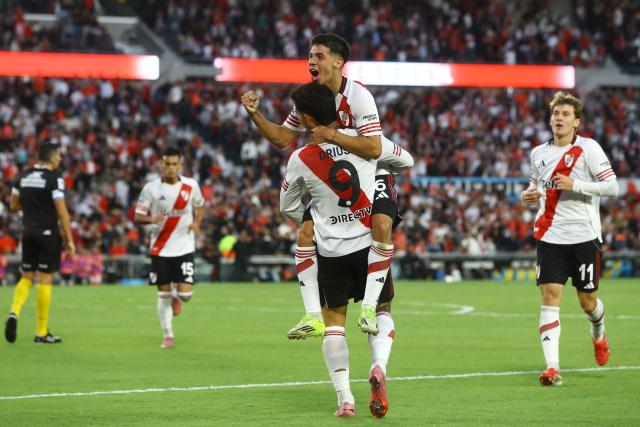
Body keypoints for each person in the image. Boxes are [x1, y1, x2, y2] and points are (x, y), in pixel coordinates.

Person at [242, 33, 412, 339]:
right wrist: (255, 115)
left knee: (382, 222)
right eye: (309, 56)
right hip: (334, 179)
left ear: (338, 62)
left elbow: (373, 148)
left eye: (318, 56)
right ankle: (312, 314)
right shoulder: (313, 98)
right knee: (306, 231)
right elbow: (282, 138)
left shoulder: (358, 96)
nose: (311, 62)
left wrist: (332, 136)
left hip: (372, 173)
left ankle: (371, 304)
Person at [281, 82, 398, 418]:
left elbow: (286, 207)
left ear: (305, 117)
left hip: (330, 249)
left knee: (334, 323)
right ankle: (379, 366)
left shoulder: (300, 158)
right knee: (383, 308)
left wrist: (315, 214)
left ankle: (345, 399)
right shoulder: (363, 143)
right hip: (368, 246)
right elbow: (402, 158)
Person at [521, 91, 618, 386]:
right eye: (555, 114)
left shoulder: (588, 149)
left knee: (588, 302)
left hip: (584, 237)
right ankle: (552, 367)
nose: (558, 118)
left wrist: (576, 184)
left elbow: (612, 187)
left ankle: (598, 330)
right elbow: (535, 186)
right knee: (549, 299)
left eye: (565, 114)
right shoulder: (538, 153)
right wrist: (527, 195)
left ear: (576, 121)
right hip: (550, 236)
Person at [134, 146, 205, 349]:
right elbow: (138, 216)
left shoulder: (191, 185)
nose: (171, 168)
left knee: (186, 296)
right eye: (167, 164)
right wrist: (151, 218)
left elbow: (201, 205)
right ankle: (168, 335)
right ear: (161, 164)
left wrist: (197, 223)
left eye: (174, 164)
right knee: (162, 294)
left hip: (184, 247)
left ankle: (178, 296)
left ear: (180, 165)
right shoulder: (151, 189)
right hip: (160, 248)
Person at [4, 142, 75, 344]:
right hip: (47, 233)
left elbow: (13, 205)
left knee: (26, 276)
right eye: (59, 156)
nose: (60, 159)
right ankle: (41, 331)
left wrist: (32, 208)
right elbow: (61, 211)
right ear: (52, 157)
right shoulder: (54, 179)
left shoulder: (23, 176)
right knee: (45, 279)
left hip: (28, 233)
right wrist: (70, 240)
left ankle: (14, 312)